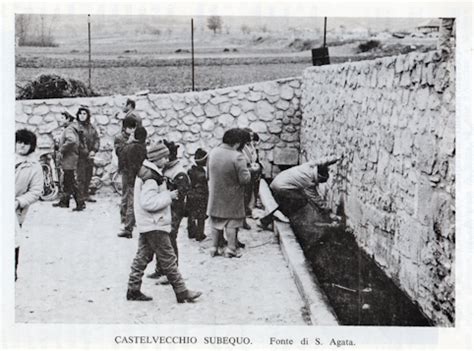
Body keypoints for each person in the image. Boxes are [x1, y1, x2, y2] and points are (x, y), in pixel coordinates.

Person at [126, 142, 201, 303]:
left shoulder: (146, 172)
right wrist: (169, 196)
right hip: (155, 224)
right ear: (157, 158)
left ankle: (133, 288)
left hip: (148, 223)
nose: (167, 159)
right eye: (165, 157)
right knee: (168, 258)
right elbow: (148, 202)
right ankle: (181, 291)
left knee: (142, 257)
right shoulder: (151, 178)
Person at [147, 140, 190, 281]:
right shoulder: (164, 168)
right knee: (160, 239)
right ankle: (160, 269)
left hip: (174, 211)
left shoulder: (179, 173)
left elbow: (180, 196)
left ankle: (172, 272)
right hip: (163, 208)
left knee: (170, 240)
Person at [258, 156, 341, 230]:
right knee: (301, 201)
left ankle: (268, 219)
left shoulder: (310, 166)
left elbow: (321, 161)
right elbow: (316, 199)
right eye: (320, 182)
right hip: (281, 187)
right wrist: (328, 212)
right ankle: (276, 217)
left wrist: (335, 158)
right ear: (318, 177)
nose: (319, 184)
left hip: (278, 180)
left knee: (292, 202)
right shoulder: (308, 181)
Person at [207, 128, 251, 258]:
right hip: (232, 195)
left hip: (215, 193)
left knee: (215, 221)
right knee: (233, 222)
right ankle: (231, 248)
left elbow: (208, 174)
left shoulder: (213, 152)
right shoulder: (237, 157)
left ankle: (214, 247)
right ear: (237, 143)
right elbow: (244, 179)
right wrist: (251, 171)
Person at [15, 129, 44, 281]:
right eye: (19, 142)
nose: (22, 146)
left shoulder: (34, 167)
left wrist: (19, 202)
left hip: (15, 211)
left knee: (12, 242)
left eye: (26, 144)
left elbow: (36, 191)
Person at [117, 127, 148, 238]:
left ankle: (127, 226)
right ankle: (130, 223)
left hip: (128, 176)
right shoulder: (143, 148)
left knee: (128, 200)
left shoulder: (128, 147)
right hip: (138, 176)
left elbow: (120, 158)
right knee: (134, 201)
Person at [52, 111, 85, 211]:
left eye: (62, 118)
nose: (60, 120)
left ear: (68, 119)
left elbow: (72, 140)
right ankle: (64, 202)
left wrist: (62, 149)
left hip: (69, 159)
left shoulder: (69, 129)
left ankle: (80, 203)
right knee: (67, 181)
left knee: (70, 181)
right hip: (70, 158)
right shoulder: (71, 128)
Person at [114, 116, 138, 226]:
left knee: (134, 195)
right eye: (131, 128)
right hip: (125, 168)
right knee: (125, 195)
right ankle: (124, 218)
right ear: (125, 128)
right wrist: (129, 142)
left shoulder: (135, 136)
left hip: (134, 168)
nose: (133, 130)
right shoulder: (119, 138)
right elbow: (120, 152)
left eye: (134, 128)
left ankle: (132, 218)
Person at [76, 106, 100, 203]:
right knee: (81, 177)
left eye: (84, 114)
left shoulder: (91, 127)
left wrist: (94, 150)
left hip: (90, 156)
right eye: (80, 114)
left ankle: (86, 194)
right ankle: (80, 197)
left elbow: (97, 139)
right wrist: (85, 152)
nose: (82, 116)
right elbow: (77, 142)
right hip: (80, 156)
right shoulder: (76, 127)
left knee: (88, 176)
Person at [242, 128, 263, 230]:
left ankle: (249, 209)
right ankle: (243, 214)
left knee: (250, 192)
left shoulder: (252, 146)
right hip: (246, 172)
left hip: (253, 172)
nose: (251, 138)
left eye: (251, 136)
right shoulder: (242, 147)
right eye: (249, 136)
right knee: (245, 193)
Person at [186, 148, 208, 242]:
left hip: (191, 195)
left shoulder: (191, 170)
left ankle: (191, 232)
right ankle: (200, 234)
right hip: (201, 195)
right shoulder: (203, 174)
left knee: (191, 214)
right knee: (201, 216)